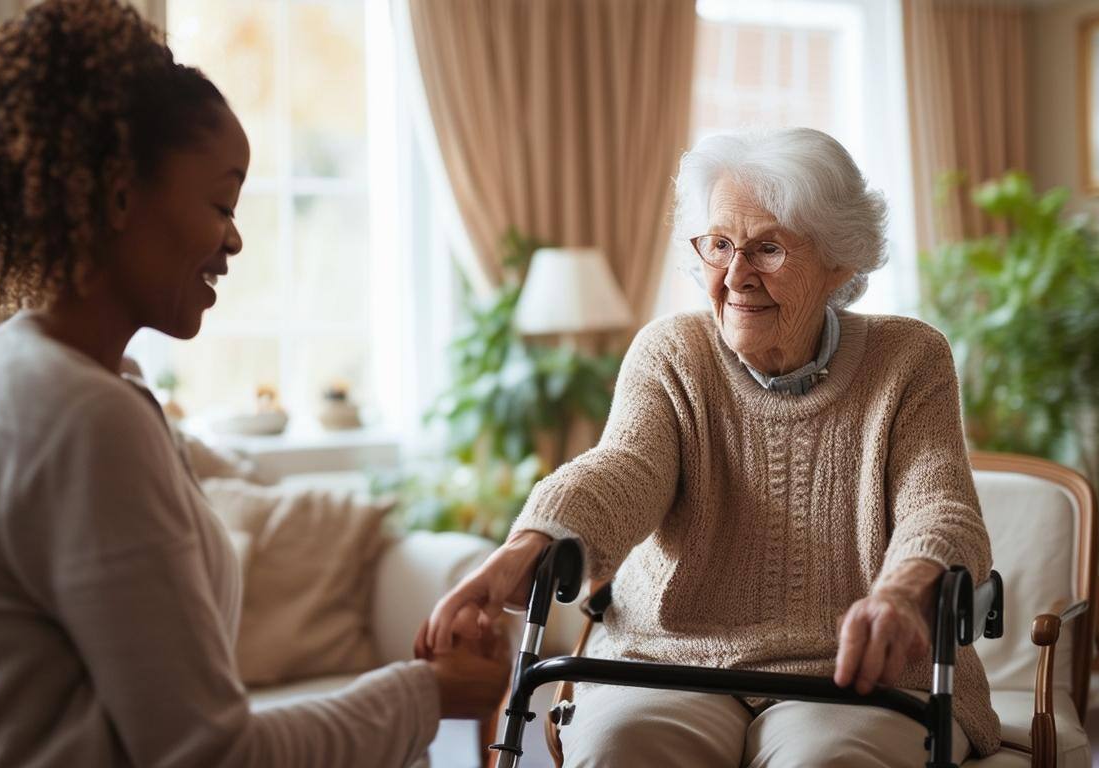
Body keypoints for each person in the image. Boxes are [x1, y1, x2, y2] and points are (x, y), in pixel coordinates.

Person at [0, 1, 505, 765]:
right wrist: (429, 692)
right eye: (221, 202)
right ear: (119, 194)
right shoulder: (79, 414)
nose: (236, 238)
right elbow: (210, 755)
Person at [419, 127, 1000, 766]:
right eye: (719, 245)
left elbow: (937, 502)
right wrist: (528, 542)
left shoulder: (908, 359)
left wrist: (901, 594)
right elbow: (622, 471)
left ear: (841, 259)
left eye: (769, 248)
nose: (736, 275)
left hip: (858, 673)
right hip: (669, 659)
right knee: (621, 747)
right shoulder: (672, 352)